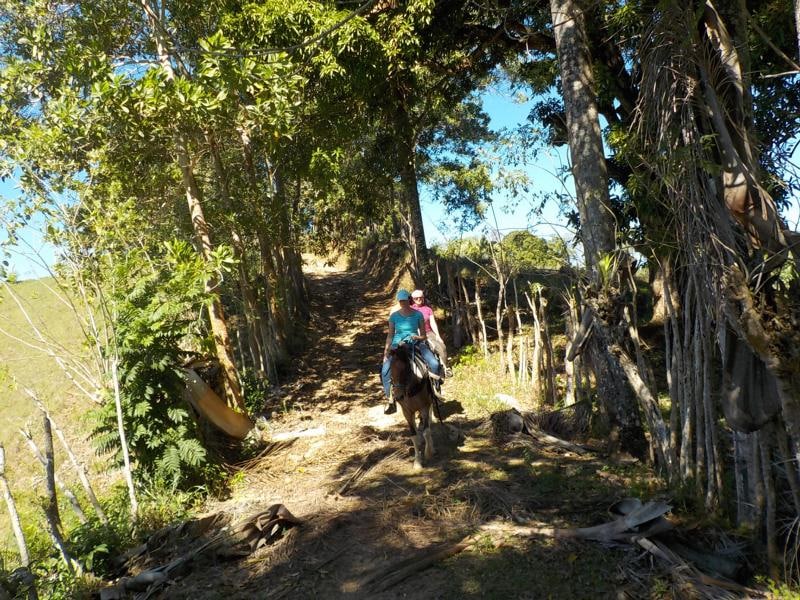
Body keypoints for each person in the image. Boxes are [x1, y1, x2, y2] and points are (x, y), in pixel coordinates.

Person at [381, 289, 442, 414]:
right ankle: (390, 399)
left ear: (409, 300)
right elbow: (390, 335)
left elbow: (423, 336)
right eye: (401, 301)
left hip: (416, 343)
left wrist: (417, 337)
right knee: (385, 370)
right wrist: (386, 350)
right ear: (399, 301)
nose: (403, 303)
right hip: (397, 346)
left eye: (404, 300)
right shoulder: (394, 316)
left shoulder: (418, 315)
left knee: (434, 364)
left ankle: (435, 392)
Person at [410, 289, 451, 376]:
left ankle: (445, 367)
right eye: (416, 298)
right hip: (417, 334)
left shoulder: (428, 309)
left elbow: (432, 323)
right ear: (413, 299)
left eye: (420, 297)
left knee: (442, 347)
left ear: (423, 298)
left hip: (429, 333)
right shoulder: (411, 310)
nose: (418, 299)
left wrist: (438, 336)